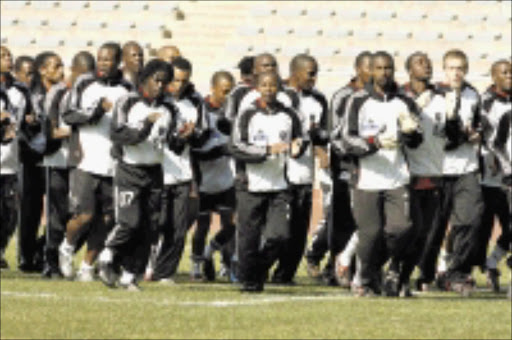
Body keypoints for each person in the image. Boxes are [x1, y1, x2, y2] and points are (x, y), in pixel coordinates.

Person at [341, 51, 423, 297]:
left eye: (388, 68)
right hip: (367, 176)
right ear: (371, 71)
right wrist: (375, 142)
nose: (384, 72)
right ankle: (365, 279)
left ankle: (389, 267)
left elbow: (417, 140)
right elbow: (347, 139)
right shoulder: (357, 100)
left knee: (401, 228)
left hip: (397, 176)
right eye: (379, 68)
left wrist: (410, 132)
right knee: (370, 233)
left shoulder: (405, 101)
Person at [97, 59, 178, 291]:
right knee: (129, 222)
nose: (161, 86)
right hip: (129, 170)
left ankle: (130, 275)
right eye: (157, 80)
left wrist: (182, 136)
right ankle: (107, 256)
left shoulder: (170, 108)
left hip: (154, 171)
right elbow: (119, 134)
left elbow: (171, 143)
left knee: (150, 227)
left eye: (165, 82)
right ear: (144, 80)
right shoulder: (128, 102)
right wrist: (145, 124)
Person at [58, 42, 132, 279]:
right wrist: (96, 112)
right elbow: (68, 115)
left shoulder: (127, 89)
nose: (102, 63)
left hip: (114, 163)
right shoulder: (84, 83)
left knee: (107, 219)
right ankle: (66, 247)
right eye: (100, 58)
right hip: (86, 161)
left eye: (108, 59)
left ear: (118, 61)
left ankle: (87, 266)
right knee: (85, 216)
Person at [231, 71, 305, 292]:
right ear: (256, 87)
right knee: (249, 236)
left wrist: (296, 148)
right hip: (250, 184)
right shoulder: (247, 114)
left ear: (279, 87)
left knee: (280, 235)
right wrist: (266, 150)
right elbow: (236, 146)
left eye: (273, 85)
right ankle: (249, 281)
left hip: (279, 185)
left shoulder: (289, 115)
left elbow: (299, 141)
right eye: (264, 85)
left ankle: (257, 269)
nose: (269, 89)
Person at [312, 51, 372, 287]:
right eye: (369, 67)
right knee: (342, 218)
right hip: (344, 164)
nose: (373, 72)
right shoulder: (343, 96)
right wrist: (351, 152)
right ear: (358, 69)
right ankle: (333, 268)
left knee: (365, 218)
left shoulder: (375, 96)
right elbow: (334, 134)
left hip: (368, 166)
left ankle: (357, 266)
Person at [271, 54, 329, 285]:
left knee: (298, 230)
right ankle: (257, 267)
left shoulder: (319, 100)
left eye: (316, 73)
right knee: (278, 231)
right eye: (310, 73)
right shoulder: (280, 97)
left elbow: (321, 134)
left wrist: (321, 149)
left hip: (305, 173)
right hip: (280, 173)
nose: (314, 78)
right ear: (295, 72)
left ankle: (285, 275)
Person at [149, 56, 207, 283]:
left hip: (182, 172)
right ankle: (146, 262)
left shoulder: (195, 102)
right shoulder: (155, 101)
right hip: (157, 170)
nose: (178, 85)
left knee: (178, 227)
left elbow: (203, 136)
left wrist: (193, 135)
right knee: (156, 223)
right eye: (175, 80)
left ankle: (165, 272)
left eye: (184, 81)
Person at [433, 49, 484, 296]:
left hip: (466, 167)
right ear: (444, 69)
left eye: (460, 68)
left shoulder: (473, 95)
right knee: (433, 226)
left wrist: (474, 135)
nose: (456, 73)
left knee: (470, 219)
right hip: (438, 168)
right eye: (451, 68)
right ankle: (428, 270)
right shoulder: (434, 94)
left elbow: (478, 127)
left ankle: (458, 272)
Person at [397, 52, 447, 295]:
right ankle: (383, 271)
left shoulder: (443, 97)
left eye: (428, 62)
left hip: (433, 173)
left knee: (424, 233)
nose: (426, 65)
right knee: (403, 230)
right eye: (419, 62)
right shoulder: (399, 96)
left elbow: (450, 135)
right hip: (405, 173)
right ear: (409, 69)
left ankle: (404, 277)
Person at [1, 46, 44, 273]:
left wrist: (31, 122)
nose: (8, 59)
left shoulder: (20, 90)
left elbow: (28, 121)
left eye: (9, 55)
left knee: (10, 214)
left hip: (10, 160)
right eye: (3, 56)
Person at [190, 71, 236, 281]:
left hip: (225, 179)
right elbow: (195, 150)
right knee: (202, 225)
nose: (228, 96)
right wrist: (220, 150)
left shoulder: (233, 113)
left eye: (232, 91)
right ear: (214, 88)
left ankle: (215, 255)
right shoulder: (201, 111)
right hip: (203, 180)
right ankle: (196, 266)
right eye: (225, 91)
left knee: (233, 223)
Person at [30, 51, 70, 278]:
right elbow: (49, 130)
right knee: (54, 214)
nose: (61, 71)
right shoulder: (40, 95)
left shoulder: (66, 92)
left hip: (72, 161)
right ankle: (49, 262)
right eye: (56, 66)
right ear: (43, 70)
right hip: (52, 160)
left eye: (63, 65)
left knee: (73, 213)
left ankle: (45, 252)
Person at [479, 59, 511, 292]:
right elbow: (492, 141)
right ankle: (447, 266)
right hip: (491, 177)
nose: (509, 75)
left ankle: (492, 263)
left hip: (508, 175)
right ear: (494, 76)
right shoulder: (486, 103)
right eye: (504, 72)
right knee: (477, 228)